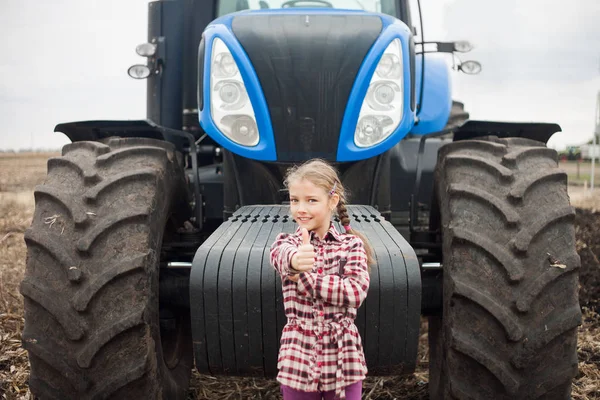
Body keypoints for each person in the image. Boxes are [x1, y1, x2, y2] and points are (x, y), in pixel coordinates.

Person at [270, 159, 374, 400]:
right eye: (295, 200)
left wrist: (305, 279)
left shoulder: (352, 245)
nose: (301, 208)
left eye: (311, 200)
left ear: (333, 201)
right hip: (299, 354)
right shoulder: (286, 242)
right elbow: (281, 257)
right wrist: (296, 261)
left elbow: (355, 292)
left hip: (342, 356)